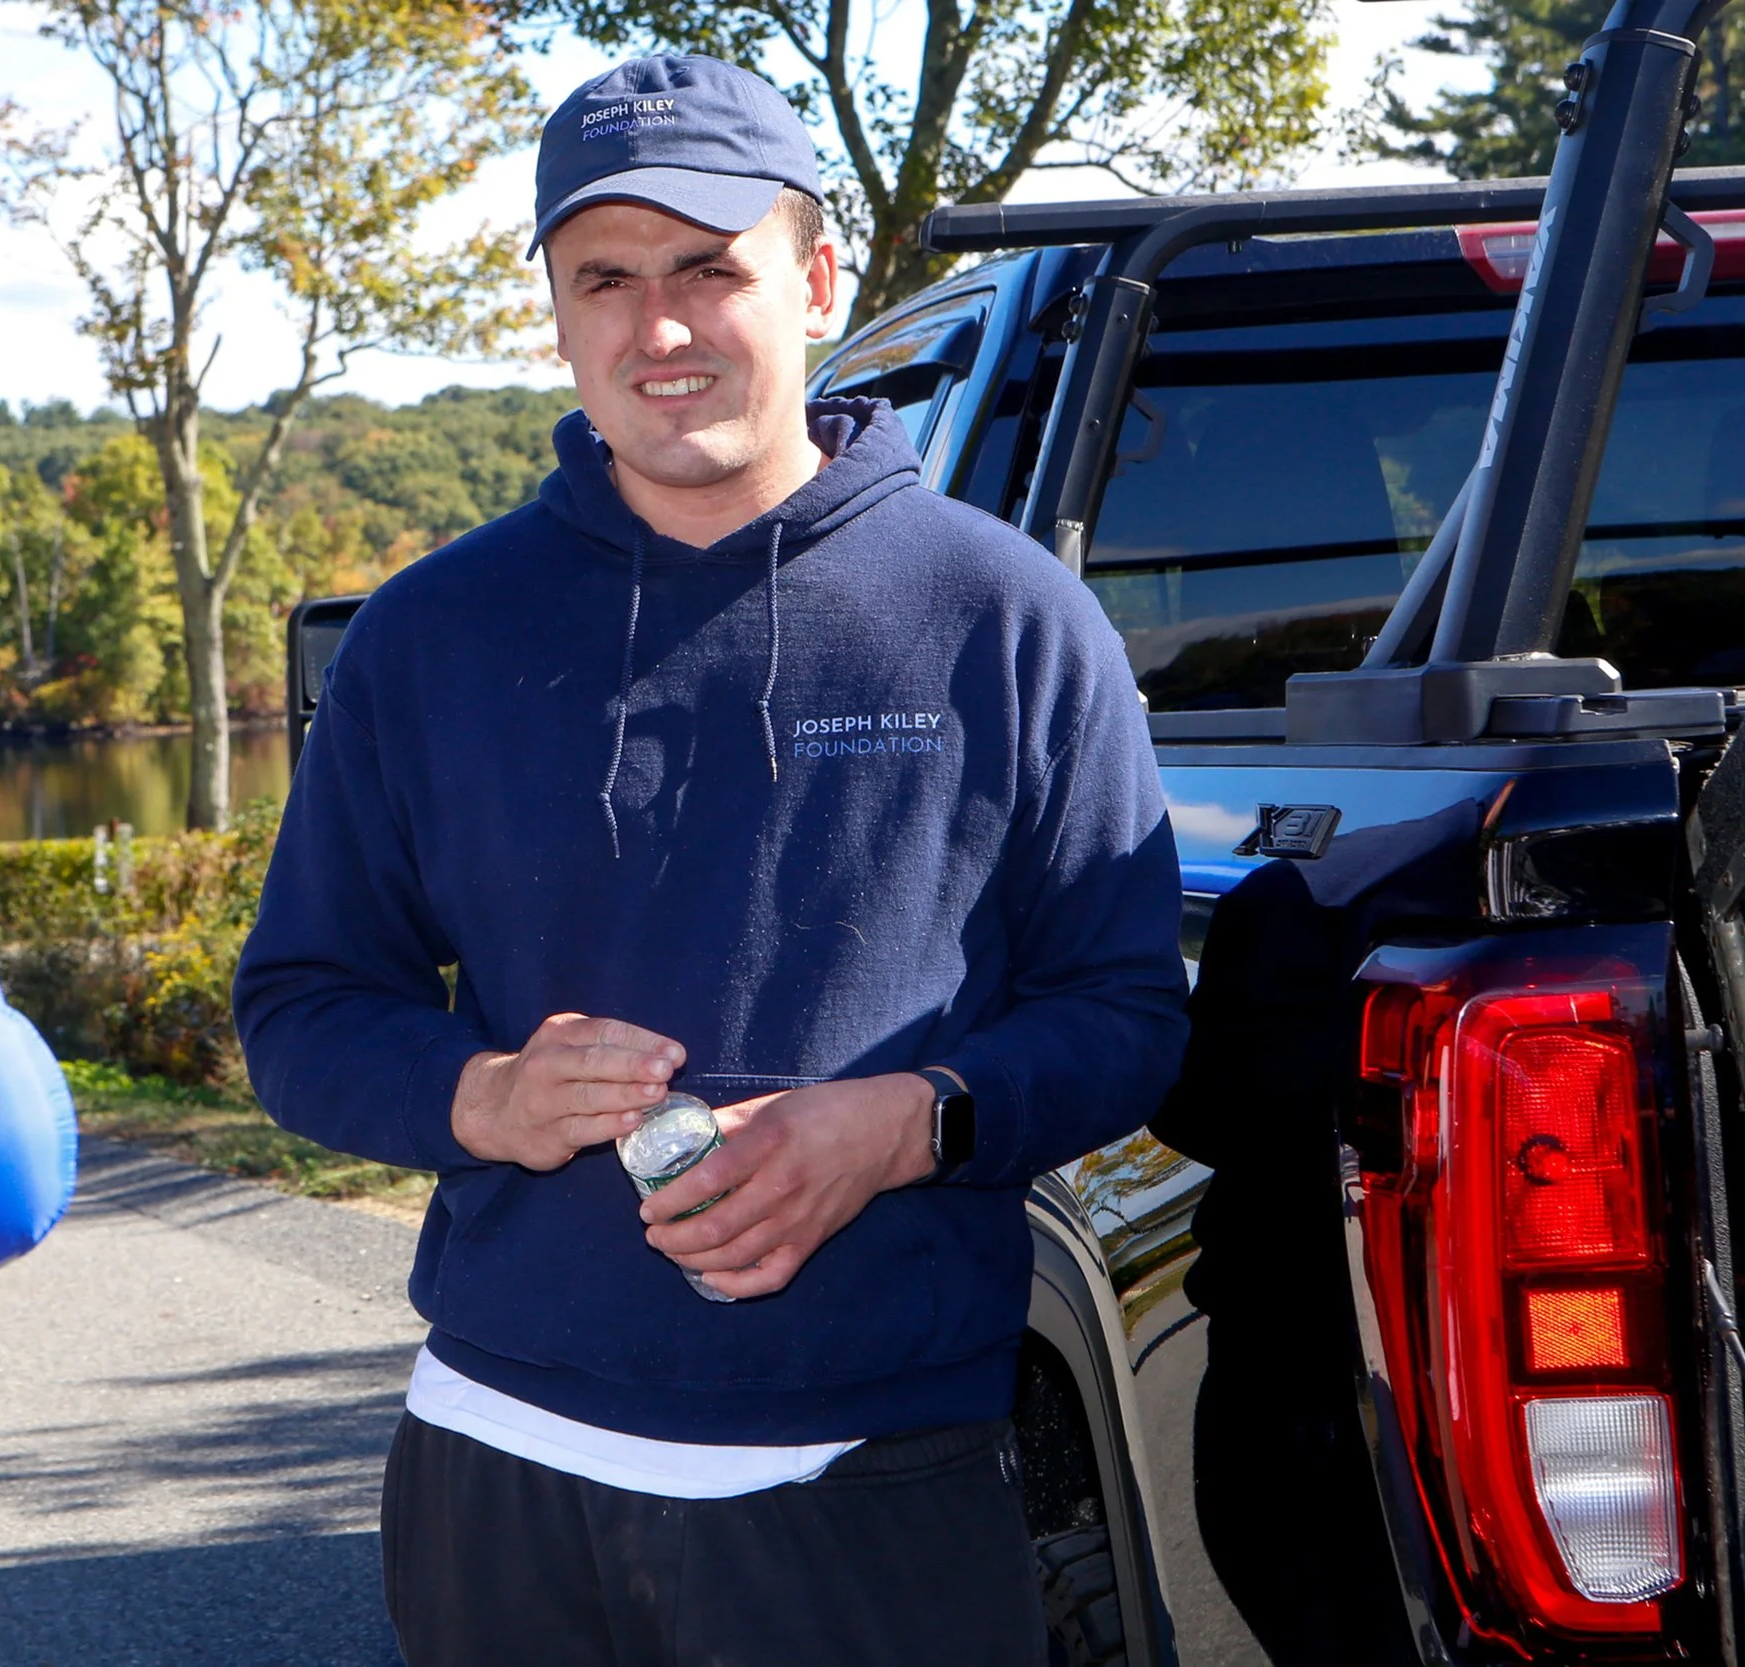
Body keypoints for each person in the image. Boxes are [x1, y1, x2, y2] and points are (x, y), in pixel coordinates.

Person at [232, 52, 1189, 1667]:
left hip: (873, 1474)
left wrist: (909, 1123)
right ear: (557, 313)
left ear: (813, 280)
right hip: (499, 1474)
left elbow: (1125, 1014)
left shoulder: (1007, 617)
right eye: (605, 279)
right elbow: (302, 1007)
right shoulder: (428, 635)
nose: (659, 327)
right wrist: (486, 1096)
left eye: (708, 268)